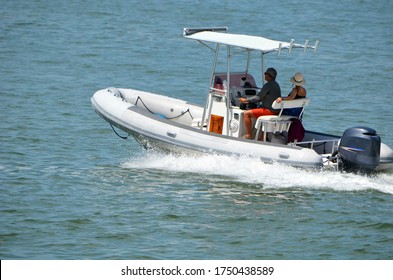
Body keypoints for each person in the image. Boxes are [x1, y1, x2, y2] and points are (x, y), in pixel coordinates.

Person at [239, 67, 281, 139]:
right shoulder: (276, 84)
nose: (264, 75)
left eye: (265, 73)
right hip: (276, 111)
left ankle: (249, 135)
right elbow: (262, 98)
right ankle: (263, 137)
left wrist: (246, 100)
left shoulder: (268, 85)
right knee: (258, 109)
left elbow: (258, 97)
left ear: (269, 75)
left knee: (246, 114)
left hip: (269, 111)